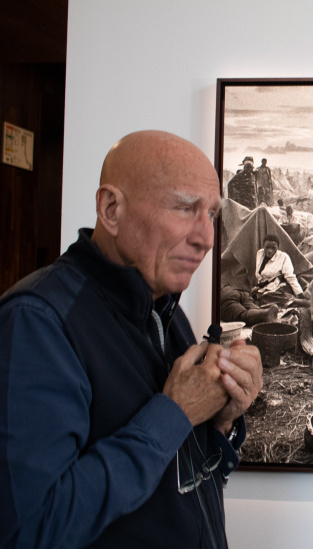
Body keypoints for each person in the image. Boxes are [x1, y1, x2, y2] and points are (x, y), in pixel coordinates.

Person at [0, 131, 263, 548]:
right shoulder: (37, 322)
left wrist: (222, 419)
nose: (207, 239)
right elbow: (30, 531)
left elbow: (177, 481)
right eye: (184, 208)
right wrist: (174, 413)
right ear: (111, 209)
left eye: (211, 214)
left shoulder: (163, 306)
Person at [254, 234, 306, 306]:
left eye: (273, 248)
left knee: (267, 297)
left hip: (280, 286)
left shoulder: (283, 257)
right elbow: (259, 276)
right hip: (264, 288)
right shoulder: (259, 253)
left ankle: (298, 301)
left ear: (278, 247)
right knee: (256, 298)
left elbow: (290, 277)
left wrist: (300, 294)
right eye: (267, 247)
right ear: (263, 246)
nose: (269, 251)